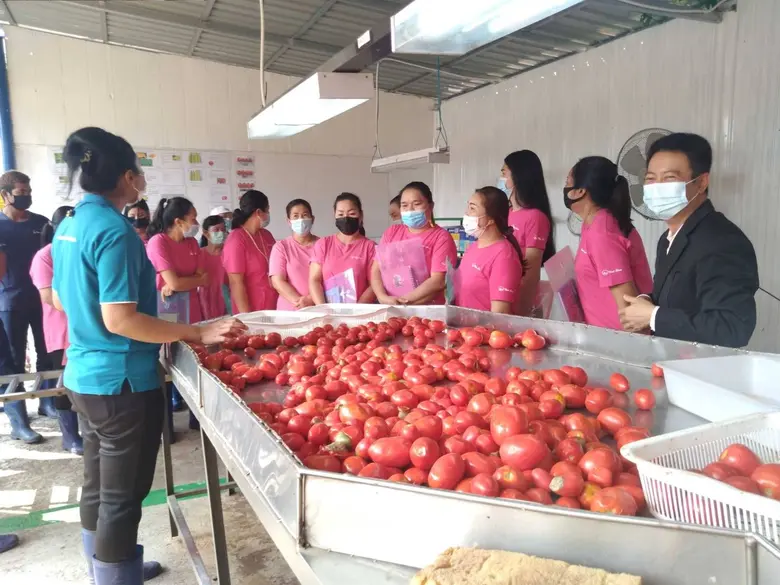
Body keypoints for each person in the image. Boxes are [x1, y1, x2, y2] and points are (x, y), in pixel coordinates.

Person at [52, 126, 245, 584]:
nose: (140, 178)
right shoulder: (115, 232)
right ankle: (115, 574)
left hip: (84, 375)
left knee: (97, 485)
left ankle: (104, 564)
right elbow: (121, 319)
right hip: (120, 381)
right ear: (125, 177)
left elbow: (63, 298)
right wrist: (196, 330)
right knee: (123, 496)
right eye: (138, 170)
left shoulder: (70, 226)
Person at [620, 133, 759, 347]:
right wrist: (647, 302)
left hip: (703, 373)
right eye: (650, 179)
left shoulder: (723, 241)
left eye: (669, 178)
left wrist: (654, 317)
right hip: (670, 365)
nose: (657, 187)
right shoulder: (667, 239)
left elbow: (732, 327)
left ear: (701, 182)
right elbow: (677, 297)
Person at [565, 156, 653, 330]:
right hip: (600, 337)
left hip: (618, 344)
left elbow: (630, 310)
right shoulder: (592, 223)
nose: (565, 187)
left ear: (580, 191)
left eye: (568, 181)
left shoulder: (603, 234)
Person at [0, 170, 54, 445]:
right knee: (12, 361)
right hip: (10, 303)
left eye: (28, 191)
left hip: (43, 301)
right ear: (5, 195)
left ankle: (48, 402)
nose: (26, 196)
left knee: (48, 355)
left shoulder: (42, 223)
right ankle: (18, 420)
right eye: (21, 192)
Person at [29, 205, 83, 455]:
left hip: (87, 327)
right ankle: (70, 436)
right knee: (64, 383)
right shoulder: (45, 256)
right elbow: (49, 296)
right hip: (62, 330)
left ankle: (87, 430)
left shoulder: (82, 250)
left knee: (83, 381)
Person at [371, 182, 457, 305]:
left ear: (431, 206)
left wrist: (403, 301)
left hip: (425, 314)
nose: (410, 210)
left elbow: (438, 280)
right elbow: (376, 269)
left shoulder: (441, 237)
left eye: (416, 204)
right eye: (404, 205)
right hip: (391, 307)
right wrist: (381, 296)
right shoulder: (391, 232)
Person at [500, 150, 555, 315]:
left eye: (504, 173)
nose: (501, 178)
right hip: (501, 294)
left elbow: (531, 271)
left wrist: (522, 312)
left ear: (518, 176)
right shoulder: (505, 213)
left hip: (520, 301)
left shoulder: (535, 217)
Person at [454, 187, 523, 314]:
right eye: (468, 207)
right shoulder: (474, 247)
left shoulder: (504, 256)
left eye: (472, 208)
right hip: (463, 329)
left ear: (491, 219)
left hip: (484, 332)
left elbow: (499, 314)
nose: (466, 213)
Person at [146, 197, 206, 325]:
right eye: (193, 219)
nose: (197, 224)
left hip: (193, 307)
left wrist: (179, 283)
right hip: (167, 306)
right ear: (178, 222)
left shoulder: (192, 243)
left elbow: (204, 276)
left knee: (194, 342)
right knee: (173, 342)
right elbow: (176, 284)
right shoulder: (158, 242)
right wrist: (195, 281)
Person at [310, 193, 376, 305]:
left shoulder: (370, 247)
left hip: (360, 313)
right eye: (340, 214)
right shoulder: (323, 244)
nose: (346, 218)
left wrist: (357, 309)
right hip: (328, 312)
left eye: (352, 213)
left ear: (361, 215)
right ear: (334, 215)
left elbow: (374, 283)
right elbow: (314, 280)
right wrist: (322, 308)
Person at [222, 190, 277, 313]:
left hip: (273, 305)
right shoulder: (236, 239)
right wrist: (247, 318)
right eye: (267, 210)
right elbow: (236, 283)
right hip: (251, 309)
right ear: (258, 212)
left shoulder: (266, 235)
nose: (268, 214)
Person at [269, 199, 319, 310]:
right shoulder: (281, 247)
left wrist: (311, 300)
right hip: (290, 311)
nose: (300, 220)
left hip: (318, 307)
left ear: (312, 219)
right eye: (295, 216)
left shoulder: (323, 245)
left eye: (305, 215)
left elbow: (329, 278)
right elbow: (277, 281)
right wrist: (301, 302)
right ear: (289, 221)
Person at [198, 215, 228, 320]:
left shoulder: (229, 253)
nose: (221, 233)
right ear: (206, 233)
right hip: (205, 302)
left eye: (223, 230)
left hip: (226, 302)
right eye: (216, 230)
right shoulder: (199, 254)